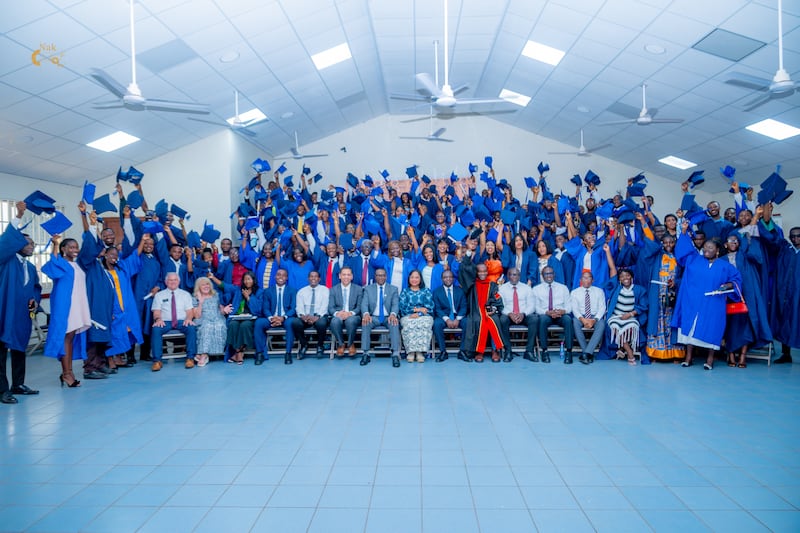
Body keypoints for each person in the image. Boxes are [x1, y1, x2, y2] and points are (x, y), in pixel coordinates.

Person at [672, 222, 742, 370]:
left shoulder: (725, 266)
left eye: (710, 248)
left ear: (717, 251)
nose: (706, 250)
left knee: (713, 329)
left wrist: (727, 286)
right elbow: (684, 251)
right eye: (705, 247)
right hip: (694, 302)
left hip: (714, 303)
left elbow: (736, 280)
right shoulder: (695, 260)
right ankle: (688, 358)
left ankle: (710, 360)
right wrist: (684, 232)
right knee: (691, 329)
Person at [0, 209, 41, 403]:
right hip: (5, 313)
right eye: (28, 243)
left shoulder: (31, 267)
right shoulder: (5, 261)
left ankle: (18, 384)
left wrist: (35, 299)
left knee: (19, 349)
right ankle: (2, 390)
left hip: (23, 315)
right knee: (1, 352)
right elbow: (6, 242)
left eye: (33, 243)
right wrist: (18, 216)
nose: (32, 246)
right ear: (16, 244)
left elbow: (35, 287)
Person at [42, 235, 92, 387]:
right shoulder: (61, 263)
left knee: (70, 337)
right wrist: (55, 245)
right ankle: (66, 374)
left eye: (76, 247)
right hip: (65, 305)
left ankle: (68, 371)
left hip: (78, 304)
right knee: (66, 336)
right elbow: (53, 262)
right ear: (64, 249)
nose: (75, 250)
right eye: (71, 247)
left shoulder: (76, 265)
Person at [722, 233, 772, 368]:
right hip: (728, 298)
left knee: (746, 325)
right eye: (730, 241)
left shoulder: (745, 257)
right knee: (729, 326)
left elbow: (757, 258)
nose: (733, 243)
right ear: (725, 245)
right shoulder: (721, 260)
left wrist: (749, 236)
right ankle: (731, 353)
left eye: (736, 241)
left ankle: (743, 356)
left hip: (745, 297)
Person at [759, 211, 800, 364]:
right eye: (793, 236)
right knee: (785, 320)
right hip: (784, 292)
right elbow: (772, 235)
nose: (795, 238)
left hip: (798, 293)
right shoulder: (785, 249)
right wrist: (767, 218)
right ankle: (786, 354)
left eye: (798, 235)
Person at [642, 234, 684, 362]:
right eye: (665, 242)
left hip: (673, 292)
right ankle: (656, 353)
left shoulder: (679, 257)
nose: (668, 245)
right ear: (662, 243)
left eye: (671, 242)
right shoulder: (657, 256)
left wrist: (675, 282)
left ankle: (675, 353)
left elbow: (684, 275)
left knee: (672, 321)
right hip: (658, 291)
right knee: (657, 320)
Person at [603, 245, 648, 365]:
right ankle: (629, 352)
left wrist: (630, 314)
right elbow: (612, 268)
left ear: (632, 277)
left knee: (632, 326)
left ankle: (623, 349)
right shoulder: (616, 288)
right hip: (616, 316)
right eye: (622, 276)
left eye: (627, 276)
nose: (625, 278)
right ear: (619, 279)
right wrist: (608, 251)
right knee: (615, 327)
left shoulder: (639, 290)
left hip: (631, 316)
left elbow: (643, 306)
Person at [457, 251, 504, 363]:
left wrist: (494, 309)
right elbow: (464, 269)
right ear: (476, 273)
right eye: (480, 271)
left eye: (484, 271)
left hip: (489, 312)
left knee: (494, 320)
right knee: (477, 320)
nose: (482, 273)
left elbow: (498, 300)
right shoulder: (471, 285)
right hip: (475, 312)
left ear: (487, 272)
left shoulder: (492, 285)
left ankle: (495, 350)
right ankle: (479, 351)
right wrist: (468, 254)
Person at [252, 268, 302, 365]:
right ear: (275, 276)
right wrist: (271, 318)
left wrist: (283, 317)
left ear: (287, 278)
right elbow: (265, 308)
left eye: (283, 275)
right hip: (272, 318)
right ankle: (259, 353)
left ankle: (288, 353)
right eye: (278, 274)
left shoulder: (292, 291)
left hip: (286, 318)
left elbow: (293, 308)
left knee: (291, 323)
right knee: (258, 323)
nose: (281, 277)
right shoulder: (267, 291)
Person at [150, 272, 198, 372]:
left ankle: (190, 358)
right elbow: (156, 311)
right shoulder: (159, 295)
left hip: (182, 321)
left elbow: (190, 311)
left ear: (179, 282)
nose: (173, 282)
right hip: (165, 321)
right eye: (170, 280)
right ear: (166, 282)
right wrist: (158, 319)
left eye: (175, 280)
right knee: (156, 329)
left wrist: (189, 319)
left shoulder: (185, 294)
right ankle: (157, 361)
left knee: (191, 328)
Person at [211, 271, 259, 365]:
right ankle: (238, 352)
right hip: (237, 317)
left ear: (253, 280)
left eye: (249, 279)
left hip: (250, 318)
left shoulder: (259, 291)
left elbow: (258, 309)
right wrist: (213, 278)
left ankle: (238, 353)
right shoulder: (238, 290)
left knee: (245, 326)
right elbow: (224, 286)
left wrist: (248, 298)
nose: (246, 281)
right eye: (245, 279)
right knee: (232, 325)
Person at [531, 266, 572, 363]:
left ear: (554, 274)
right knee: (542, 320)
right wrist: (547, 312)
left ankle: (569, 352)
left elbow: (569, 307)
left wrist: (563, 311)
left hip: (560, 314)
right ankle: (544, 351)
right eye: (546, 274)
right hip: (546, 314)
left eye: (550, 273)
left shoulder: (563, 288)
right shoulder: (536, 289)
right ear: (542, 275)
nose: (548, 276)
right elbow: (535, 307)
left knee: (568, 320)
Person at [361, 267, 401, 367]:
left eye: (383, 275)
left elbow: (395, 304)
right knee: (365, 322)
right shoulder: (368, 289)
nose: (381, 277)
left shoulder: (393, 289)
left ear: (386, 276)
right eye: (378, 275)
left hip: (388, 317)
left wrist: (393, 314)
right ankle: (366, 353)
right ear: (375, 277)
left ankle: (395, 354)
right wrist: (366, 314)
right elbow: (364, 304)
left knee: (394, 322)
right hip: (373, 317)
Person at [497, 267, 537, 362]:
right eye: (511, 274)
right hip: (509, 315)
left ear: (519, 276)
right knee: (502, 320)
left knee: (534, 319)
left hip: (523, 314)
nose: (513, 277)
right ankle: (508, 351)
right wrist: (509, 313)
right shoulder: (502, 289)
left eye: (516, 275)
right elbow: (500, 306)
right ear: (508, 276)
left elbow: (532, 305)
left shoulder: (527, 288)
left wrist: (523, 314)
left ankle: (529, 351)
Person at [569, 271, 606, 365]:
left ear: (593, 280)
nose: (586, 280)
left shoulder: (599, 291)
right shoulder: (575, 292)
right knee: (574, 322)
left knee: (601, 324)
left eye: (589, 277)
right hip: (581, 316)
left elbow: (602, 307)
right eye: (584, 278)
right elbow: (575, 309)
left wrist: (594, 320)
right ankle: (588, 352)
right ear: (580, 280)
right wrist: (583, 319)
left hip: (594, 316)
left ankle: (586, 353)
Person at [398, 269, 434, 364]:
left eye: (417, 277)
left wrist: (420, 314)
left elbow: (429, 307)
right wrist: (417, 310)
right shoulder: (405, 291)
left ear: (420, 279)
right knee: (409, 323)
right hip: (408, 315)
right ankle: (411, 352)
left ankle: (419, 352)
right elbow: (402, 307)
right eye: (412, 277)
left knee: (425, 323)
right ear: (409, 279)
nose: (414, 279)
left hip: (424, 316)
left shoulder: (426, 291)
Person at [192, 276, 229, 367]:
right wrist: (200, 302)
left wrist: (224, 310)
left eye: (207, 284)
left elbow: (221, 309)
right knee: (207, 326)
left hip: (217, 317)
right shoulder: (195, 297)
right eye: (203, 285)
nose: (206, 286)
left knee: (220, 326)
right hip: (203, 319)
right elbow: (197, 316)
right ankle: (204, 354)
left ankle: (203, 354)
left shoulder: (216, 295)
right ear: (198, 287)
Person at [431, 270, 468, 362]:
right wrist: (447, 319)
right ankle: (443, 352)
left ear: (453, 278)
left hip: (458, 315)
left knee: (468, 322)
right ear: (442, 279)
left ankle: (462, 351)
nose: (448, 279)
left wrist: (458, 319)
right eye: (445, 277)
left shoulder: (460, 291)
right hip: (444, 316)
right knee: (436, 324)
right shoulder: (437, 292)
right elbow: (437, 308)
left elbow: (464, 306)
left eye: (450, 277)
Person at [328, 266, 363, 358]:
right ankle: (341, 344)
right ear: (339, 276)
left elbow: (359, 307)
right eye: (344, 275)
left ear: (352, 276)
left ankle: (351, 344)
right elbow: (331, 308)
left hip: (353, 315)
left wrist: (350, 313)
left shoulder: (359, 289)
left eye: (348, 275)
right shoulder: (333, 290)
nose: (346, 277)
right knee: (335, 321)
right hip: (339, 315)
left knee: (350, 320)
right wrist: (337, 313)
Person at [296, 271, 330, 359]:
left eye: (315, 277)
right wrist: (303, 316)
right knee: (295, 323)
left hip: (320, 315)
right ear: (308, 279)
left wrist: (317, 317)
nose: (313, 278)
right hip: (306, 316)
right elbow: (299, 307)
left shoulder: (325, 290)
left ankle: (320, 345)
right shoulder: (301, 291)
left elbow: (325, 306)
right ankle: (304, 344)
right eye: (311, 276)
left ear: (319, 279)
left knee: (321, 323)